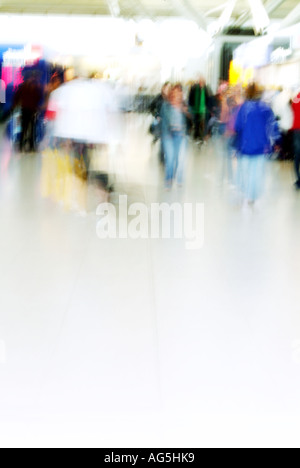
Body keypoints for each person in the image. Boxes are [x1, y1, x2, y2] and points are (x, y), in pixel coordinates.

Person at [234, 83, 277, 204]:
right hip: (261, 146)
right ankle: (252, 197)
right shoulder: (266, 108)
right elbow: (272, 126)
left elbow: (238, 126)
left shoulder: (244, 108)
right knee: (256, 172)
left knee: (244, 171)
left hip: (245, 145)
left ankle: (243, 191)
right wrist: (275, 142)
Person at [161, 84, 190, 189]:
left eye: (180, 92)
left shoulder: (184, 105)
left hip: (181, 135)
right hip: (168, 135)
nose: (178, 94)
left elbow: (191, 119)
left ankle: (179, 177)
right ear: (172, 93)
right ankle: (168, 179)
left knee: (179, 158)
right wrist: (166, 134)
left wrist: (186, 111)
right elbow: (164, 121)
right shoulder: (166, 105)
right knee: (170, 158)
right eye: (175, 92)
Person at [13, 73, 44, 152]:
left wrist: (15, 105)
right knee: (33, 129)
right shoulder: (37, 87)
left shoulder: (22, 86)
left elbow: (17, 97)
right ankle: (31, 146)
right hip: (32, 110)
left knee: (24, 128)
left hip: (25, 109)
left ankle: (21, 146)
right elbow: (39, 97)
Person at [149, 82, 171, 163]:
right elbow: (151, 107)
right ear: (163, 88)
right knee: (161, 138)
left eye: (169, 88)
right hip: (160, 121)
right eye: (166, 88)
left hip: (168, 122)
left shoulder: (171, 98)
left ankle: (164, 156)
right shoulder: (159, 98)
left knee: (165, 139)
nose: (167, 90)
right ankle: (161, 157)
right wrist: (156, 115)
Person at [188, 77, 212, 144]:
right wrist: (191, 106)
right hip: (196, 110)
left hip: (204, 111)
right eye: (201, 82)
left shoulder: (206, 89)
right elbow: (190, 98)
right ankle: (196, 138)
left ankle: (200, 138)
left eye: (203, 82)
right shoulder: (195, 88)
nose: (202, 83)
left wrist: (208, 108)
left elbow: (208, 98)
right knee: (196, 125)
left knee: (203, 125)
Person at [291, 91, 300, 189]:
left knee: (297, 155)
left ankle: (298, 180)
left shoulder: (296, 97)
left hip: (297, 129)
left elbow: (293, 108)